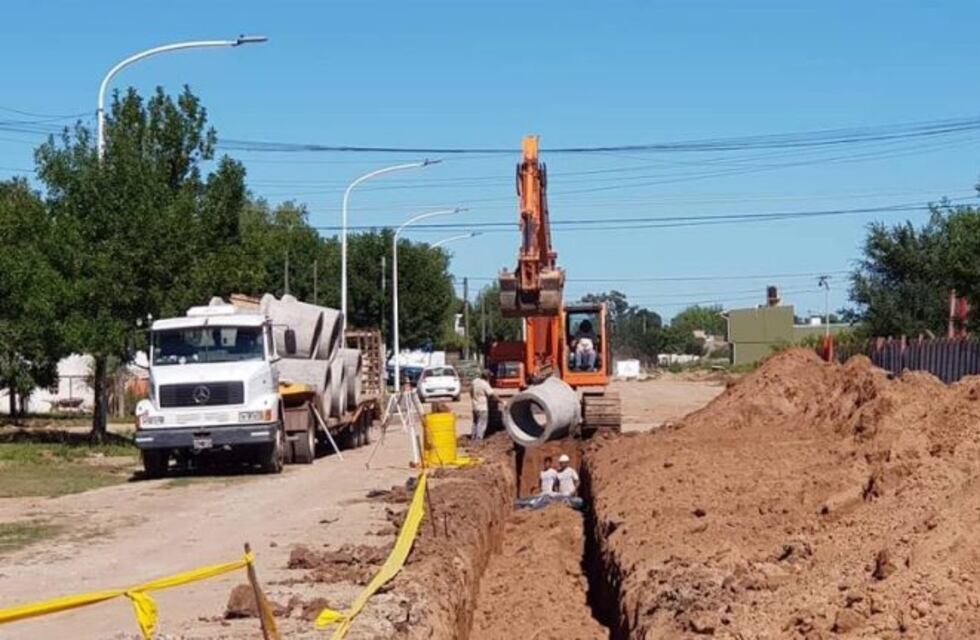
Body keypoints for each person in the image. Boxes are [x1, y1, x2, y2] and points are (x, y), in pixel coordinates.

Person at [470, 370, 496, 441]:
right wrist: (501, 401)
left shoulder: (475, 381)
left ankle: (473, 438)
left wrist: (474, 398)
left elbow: (471, 392)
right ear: (487, 377)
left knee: (475, 423)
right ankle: (478, 439)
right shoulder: (485, 384)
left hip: (475, 406)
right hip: (482, 407)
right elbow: (492, 395)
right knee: (482, 423)